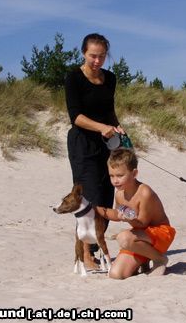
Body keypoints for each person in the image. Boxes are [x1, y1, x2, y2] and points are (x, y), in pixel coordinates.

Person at [65, 33, 125, 270]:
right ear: (83, 53)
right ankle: (85, 256)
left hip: (106, 145)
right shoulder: (73, 78)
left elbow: (109, 111)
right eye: (93, 56)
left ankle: (94, 248)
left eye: (101, 56)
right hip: (82, 144)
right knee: (88, 199)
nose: (97, 61)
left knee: (106, 198)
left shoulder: (110, 78)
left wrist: (117, 129)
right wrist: (103, 128)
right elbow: (76, 116)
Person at [96, 148, 176, 279]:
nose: (115, 180)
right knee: (116, 274)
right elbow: (117, 214)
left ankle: (159, 259)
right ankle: (144, 259)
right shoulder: (119, 194)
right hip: (139, 239)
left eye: (120, 175)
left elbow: (142, 223)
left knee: (123, 238)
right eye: (112, 176)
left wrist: (127, 219)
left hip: (161, 234)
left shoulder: (145, 192)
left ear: (134, 173)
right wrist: (94, 209)